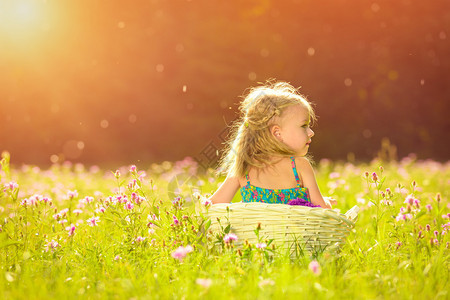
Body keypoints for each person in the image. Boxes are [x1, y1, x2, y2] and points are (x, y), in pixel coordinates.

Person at [209, 81, 335, 208]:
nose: (311, 132)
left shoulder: (244, 167)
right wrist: (328, 203)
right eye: (304, 126)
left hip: (255, 228)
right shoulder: (299, 166)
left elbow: (214, 204)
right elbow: (322, 210)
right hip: (293, 228)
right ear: (277, 133)